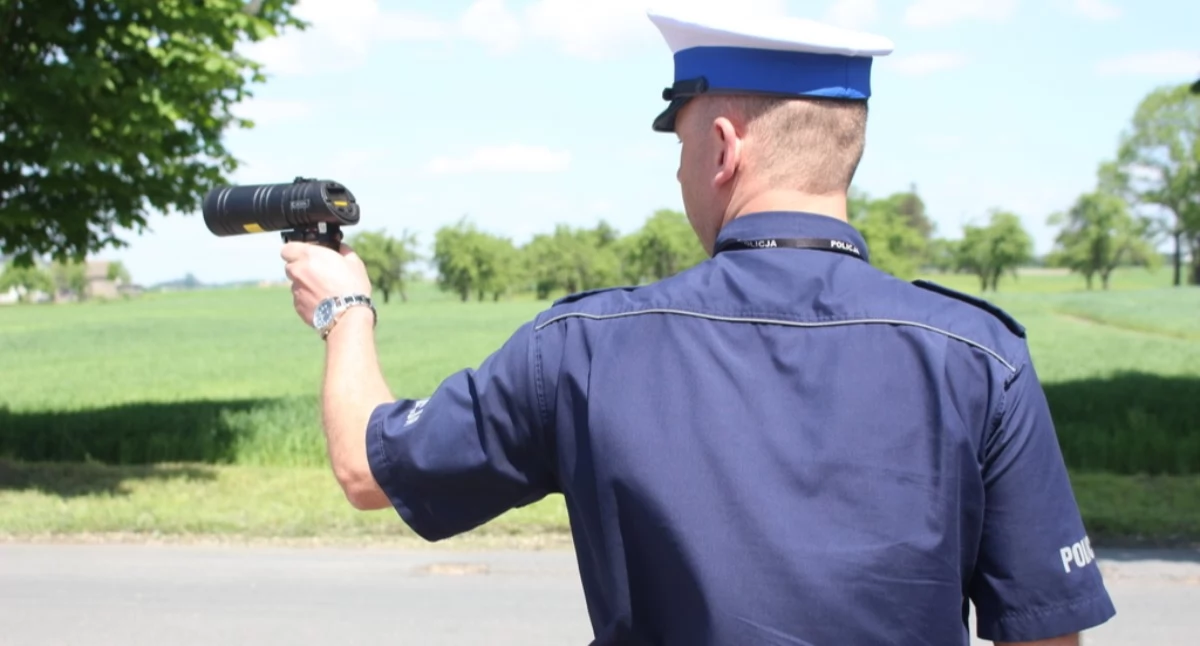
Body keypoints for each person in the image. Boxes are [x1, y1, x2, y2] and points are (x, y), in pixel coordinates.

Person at [280, 7, 1116, 646]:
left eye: (678, 142)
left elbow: (368, 467)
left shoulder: (585, 349)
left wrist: (343, 308)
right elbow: (1045, 633)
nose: (680, 169)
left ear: (723, 149)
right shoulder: (979, 356)